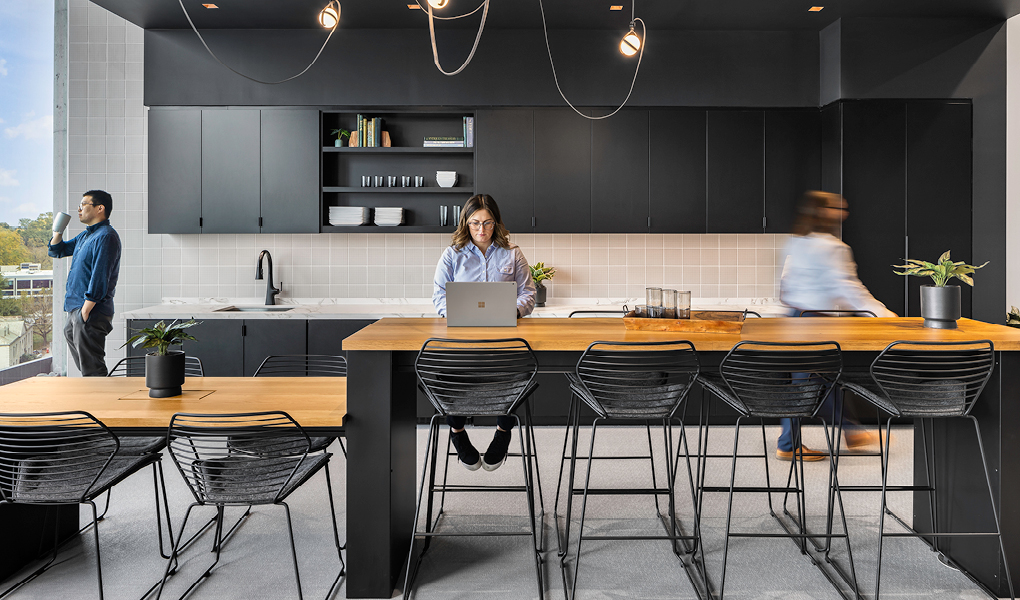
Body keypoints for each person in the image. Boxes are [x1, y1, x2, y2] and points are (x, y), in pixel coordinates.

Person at [777, 190, 896, 461]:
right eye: (837, 207)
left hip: (795, 317)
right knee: (810, 383)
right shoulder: (833, 247)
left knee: (821, 379)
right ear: (822, 212)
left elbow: (785, 285)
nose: (844, 212)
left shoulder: (797, 242)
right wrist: (883, 314)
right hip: (815, 321)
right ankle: (788, 445)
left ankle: (851, 432)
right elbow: (849, 288)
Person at [432, 194, 537, 471]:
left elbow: (528, 294)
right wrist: (456, 313)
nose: (482, 230)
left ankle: (503, 432)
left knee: (521, 371)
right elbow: (438, 297)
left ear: (497, 223)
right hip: (462, 341)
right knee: (445, 374)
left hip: (505, 341)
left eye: (488, 223)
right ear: (466, 223)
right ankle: (457, 432)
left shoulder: (513, 252)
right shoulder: (452, 254)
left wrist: (512, 311)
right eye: (476, 223)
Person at [49, 190, 122, 377]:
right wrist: (58, 230)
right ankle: (96, 402)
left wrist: (86, 310)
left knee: (93, 369)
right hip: (76, 308)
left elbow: (100, 275)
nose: (79, 209)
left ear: (100, 208)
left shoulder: (106, 236)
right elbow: (57, 250)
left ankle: (100, 405)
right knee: (86, 366)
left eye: (84, 204)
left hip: (91, 310)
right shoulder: (85, 236)